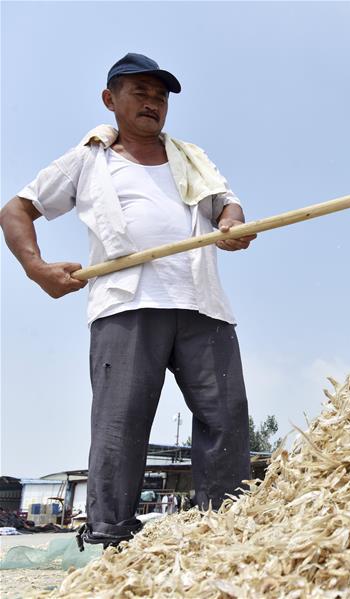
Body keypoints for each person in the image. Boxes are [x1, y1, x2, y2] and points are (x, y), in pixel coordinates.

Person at [0, 53, 256, 549]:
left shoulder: (192, 158)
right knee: (121, 425)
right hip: (126, 304)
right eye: (140, 92)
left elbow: (227, 203)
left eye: (160, 97)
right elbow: (16, 209)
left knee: (226, 417)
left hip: (203, 306)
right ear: (110, 99)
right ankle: (108, 535)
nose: (152, 103)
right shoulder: (88, 160)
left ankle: (224, 534)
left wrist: (230, 225)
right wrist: (36, 268)